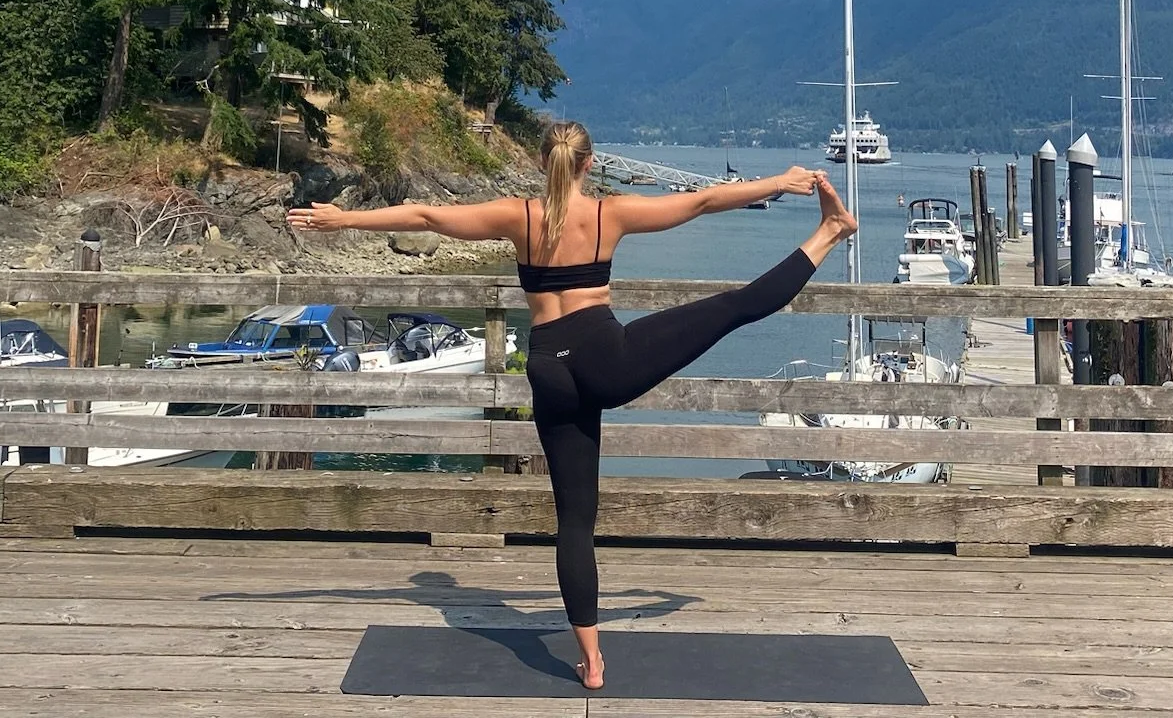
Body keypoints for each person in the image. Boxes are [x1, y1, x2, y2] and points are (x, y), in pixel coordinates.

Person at [288, 119, 856, 692]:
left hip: (548, 372)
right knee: (737, 305)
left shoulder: (519, 216)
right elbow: (704, 200)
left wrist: (341, 218)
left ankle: (592, 661)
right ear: (589, 164)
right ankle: (830, 232)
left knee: (575, 523)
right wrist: (779, 181)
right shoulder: (609, 214)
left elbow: (427, 216)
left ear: (543, 163)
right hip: (607, 360)